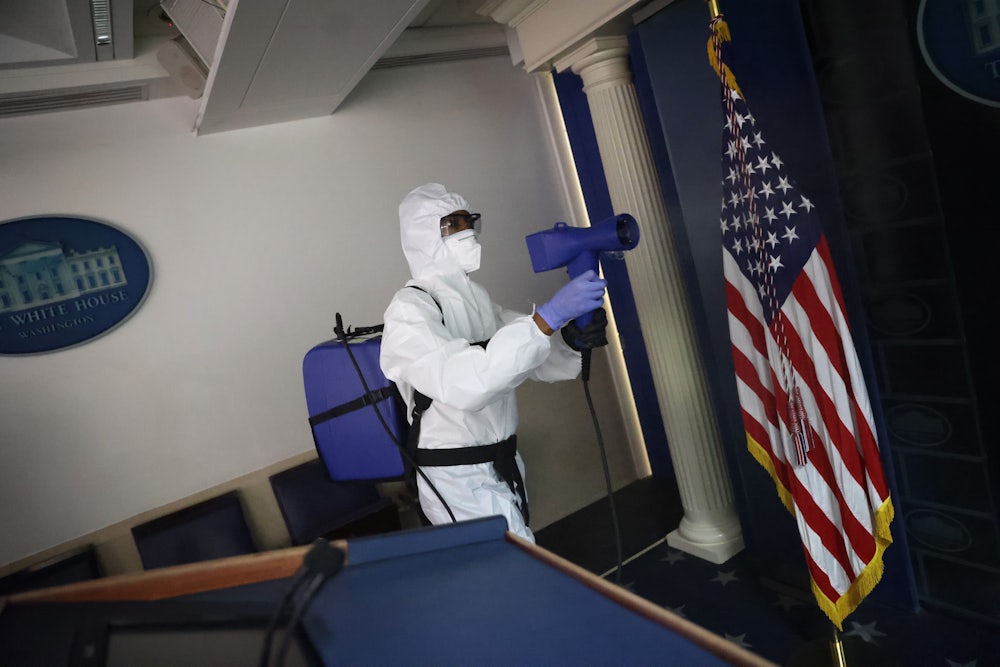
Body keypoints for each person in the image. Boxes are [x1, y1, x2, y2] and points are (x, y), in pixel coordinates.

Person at [379, 183, 608, 542]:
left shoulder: (477, 298)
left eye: (469, 221)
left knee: (509, 568)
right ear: (423, 235)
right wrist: (548, 318)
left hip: (499, 462)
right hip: (457, 477)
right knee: (514, 573)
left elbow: (525, 354)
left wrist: (570, 337)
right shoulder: (410, 310)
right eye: (452, 224)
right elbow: (468, 385)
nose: (466, 231)